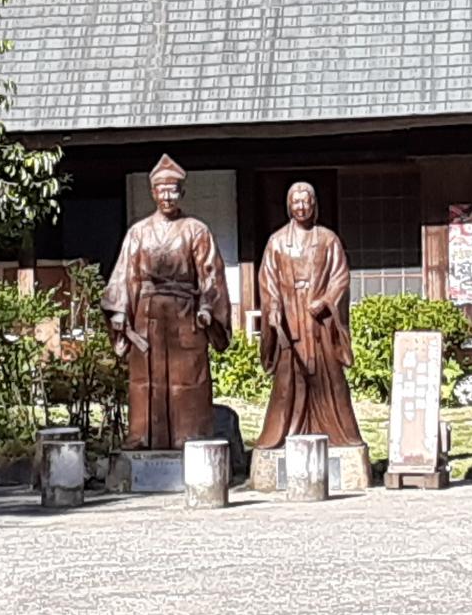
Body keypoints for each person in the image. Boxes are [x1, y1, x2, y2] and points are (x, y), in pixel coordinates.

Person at [103, 154, 231, 449]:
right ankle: (142, 435)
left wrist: (208, 308)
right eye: (162, 190)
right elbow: (124, 273)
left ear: (182, 193)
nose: (168, 196)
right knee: (144, 376)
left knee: (188, 374)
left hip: (185, 313)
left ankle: (191, 434)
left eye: (173, 190)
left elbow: (210, 274)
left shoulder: (195, 230)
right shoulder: (139, 232)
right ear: (153, 193)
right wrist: (120, 310)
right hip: (146, 315)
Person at [256, 181, 365, 449]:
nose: (301, 207)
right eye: (296, 201)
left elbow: (341, 277)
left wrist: (327, 300)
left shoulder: (327, 240)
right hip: (290, 317)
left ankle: (338, 433)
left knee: (330, 378)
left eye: (306, 201)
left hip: (319, 321)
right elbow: (267, 280)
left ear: (314, 205)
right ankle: (284, 433)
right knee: (288, 379)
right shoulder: (277, 241)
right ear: (289, 206)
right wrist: (273, 309)